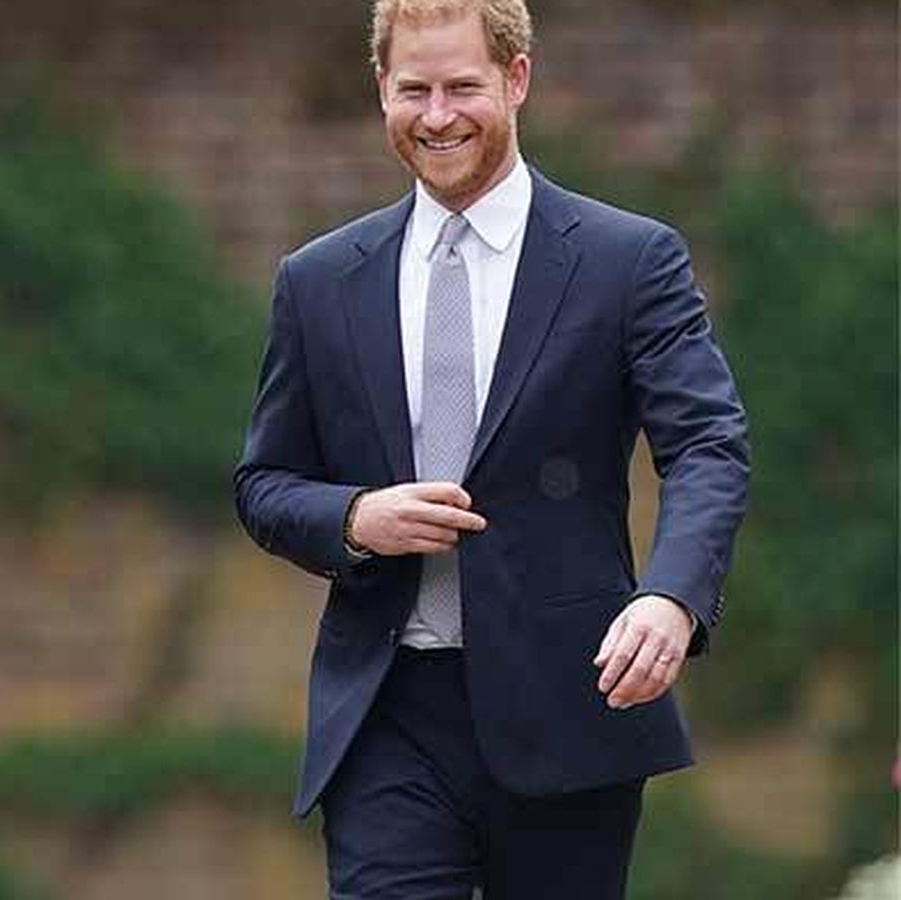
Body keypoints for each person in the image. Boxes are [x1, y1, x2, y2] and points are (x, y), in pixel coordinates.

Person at [233, 0, 749, 896]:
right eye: (413, 90)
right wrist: (355, 516)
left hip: (569, 706)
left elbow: (707, 443)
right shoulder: (317, 281)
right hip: (386, 712)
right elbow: (265, 483)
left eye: (462, 87)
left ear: (517, 80)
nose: (437, 116)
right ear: (381, 91)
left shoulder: (628, 261)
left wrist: (671, 598)